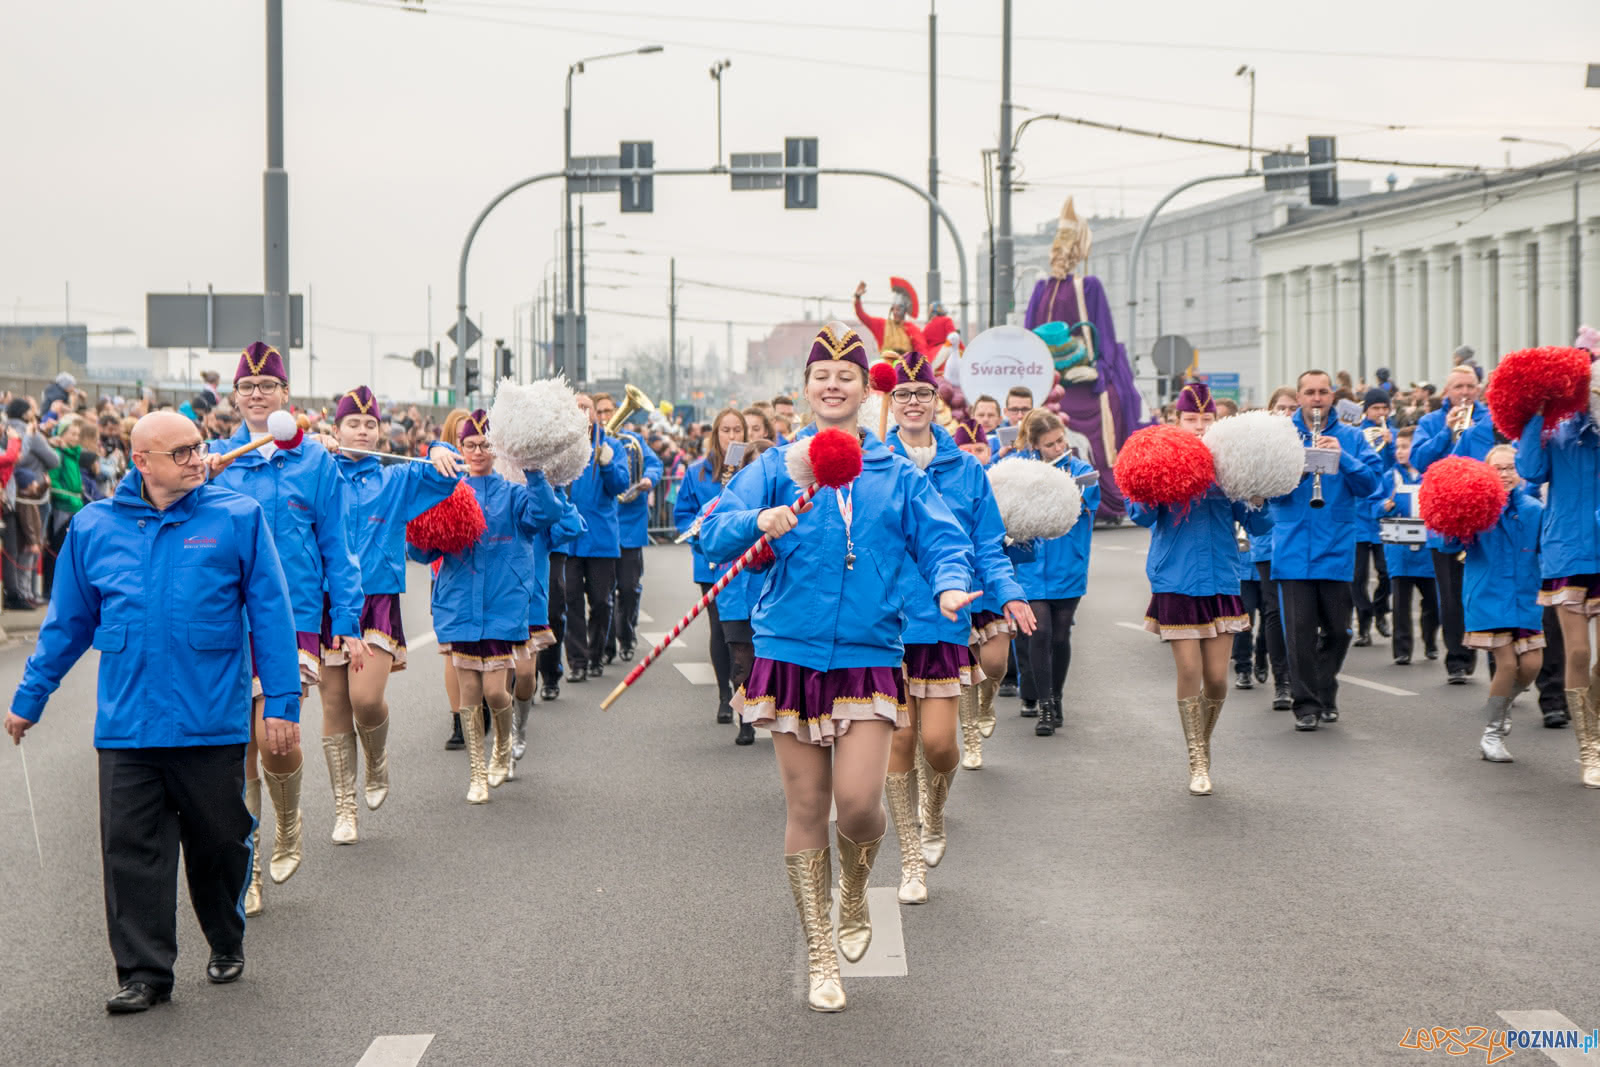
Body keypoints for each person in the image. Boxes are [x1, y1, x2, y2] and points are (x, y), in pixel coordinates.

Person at [700, 322, 973, 1013]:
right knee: (807, 807)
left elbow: (942, 536)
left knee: (859, 806)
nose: (833, 385)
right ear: (807, 388)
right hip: (789, 654)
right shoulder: (777, 466)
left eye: (846, 376)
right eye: (822, 375)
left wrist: (946, 583)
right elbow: (707, 526)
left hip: (867, 656)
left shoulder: (894, 473)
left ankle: (854, 890)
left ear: (862, 390)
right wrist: (756, 521)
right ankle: (822, 949)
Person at [6, 411, 300, 1013]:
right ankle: (144, 972)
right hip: (127, 726)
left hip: (210, 721)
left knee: (220, 843)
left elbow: (271, 615)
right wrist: (29, 699)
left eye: (199, 448)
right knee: (131, 848)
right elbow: (67, 624)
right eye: (183, 452)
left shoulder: (238, 518)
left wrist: (282, 701)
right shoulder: (93, 528)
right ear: (141, 462)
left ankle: (224, 935)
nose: (199, 458)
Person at [205, 342, 368, 915]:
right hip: (228, 622)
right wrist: (196, 476)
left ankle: (290, 819)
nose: (256, 395)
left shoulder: (316, 462)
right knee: (242, 745)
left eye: (266, 387)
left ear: (285, 395)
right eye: (246, 388)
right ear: (234, 398)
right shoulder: (214, 461)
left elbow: (337, 546)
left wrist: (346, 621)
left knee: (277, 741)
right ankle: (245, 864)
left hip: (293, 622)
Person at [884, 355, 1033, 903]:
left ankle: (935, 811)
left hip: (946, 624)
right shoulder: (872, 463)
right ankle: (909, 861)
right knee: (900, 738)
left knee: (941, 747)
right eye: (903, 393)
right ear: (890, 404)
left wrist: (1010, 592)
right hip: (885, 625)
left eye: (924, 391)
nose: (914, 401)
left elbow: (988, 546)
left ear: (937, 401)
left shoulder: (967, 471)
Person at [319, 386, 464, 843]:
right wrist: (306, 449)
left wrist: (440, 449)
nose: (361, 430)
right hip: (323, 598)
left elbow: (446, 479)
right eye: (352, 424)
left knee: (365, 700)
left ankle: (376, 759)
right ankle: (345, 808)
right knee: (335, 703)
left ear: (381, 434)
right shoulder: (319, 472)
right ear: (337, 428)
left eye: (370, 424)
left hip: (376, 598)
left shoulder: (395, 479)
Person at [408, 410, 564, 803]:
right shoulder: (447, 490)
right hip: (458, 607)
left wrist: (534, 471)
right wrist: (419, 521)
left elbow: (547, 514)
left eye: (485, 445)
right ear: (460, 448)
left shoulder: (513, 492)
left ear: (497, 450)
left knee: (497, 692)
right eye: (470, 445)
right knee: (468, 696)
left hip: (503, 606)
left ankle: (502, 746)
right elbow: (421, 552)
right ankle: (477, 773)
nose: (478, 452)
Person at [1133, 384, 1272, 792]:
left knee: (1217, 679)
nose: (1198, 427)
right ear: (1177, 422)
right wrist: (1153, 484)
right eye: (1191, 420)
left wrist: (1256, 496)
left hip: (1221, 579)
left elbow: (1260, 526)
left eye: (1205, 420)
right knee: (1190, 670)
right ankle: (1196, 758)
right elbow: (1141, 516)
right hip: (1174, 580)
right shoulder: (1165, 458)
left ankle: (1202, 741)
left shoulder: (1227, 465)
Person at [1266, 370, 1383, 731]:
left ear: (1332, 396)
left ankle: (1324, 686)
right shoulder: (1281, 438)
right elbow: (1270, 490)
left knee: (1338, 631)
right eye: (1309, 392)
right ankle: (1306, 704)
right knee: (1299, 634)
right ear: (1299, 397)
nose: (1316, 398)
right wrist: (1300, 467)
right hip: (1293, 548)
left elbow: (1371, 485)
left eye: (1323, 392)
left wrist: (1343, 457)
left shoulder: (1352, 437)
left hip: (1335, 547)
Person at [1516, 380, 1600, 787]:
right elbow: (1530, 471)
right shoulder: (1560, 429)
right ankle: (1590, 751)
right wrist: (1537, 413)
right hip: (1568, 548)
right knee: (1579, 652)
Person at [1442, 445, 1544, 762]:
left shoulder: (1533, 508)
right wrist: (1455, 517)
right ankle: (1493, 733)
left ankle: (1502, 705)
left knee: (1532, 665)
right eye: (1497, 469)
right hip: (1488, 594)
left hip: (1526, 596)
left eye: (1510, 467)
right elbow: (1448, 546)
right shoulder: (1477, 510)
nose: (1504, 474)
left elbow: (1546, 547)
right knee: (1508, 663)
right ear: (1486, 473)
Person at [1009, 409, 1096, 740]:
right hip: (1031, 568)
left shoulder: (1082, 470)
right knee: (1039, 632)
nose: (1059, 448)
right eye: (1050, 444)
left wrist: (1066, 485)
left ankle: (1057, 696)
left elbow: (1089, 501)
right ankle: (1044, 704)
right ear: (1035, 446)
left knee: (1060, 637)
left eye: (1061, 440)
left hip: (1067, 565)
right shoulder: (1021, 468)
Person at [1410, 366, 1493, 683]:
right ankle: (1458, 658)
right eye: (1458, 386)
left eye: (1470, 386)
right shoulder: (1430, 421)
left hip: (1485, 521)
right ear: (1447, 392)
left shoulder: (1488, 420)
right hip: (1445, 523)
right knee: (1452, 595)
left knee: (1486, 589)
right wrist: (1446, 432)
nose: (1465, 392)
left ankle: (1494, 655)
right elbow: (1419, 461)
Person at [673, 408, 748, 727]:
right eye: (725, 430)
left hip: (747, 564)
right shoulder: (698, 472)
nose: (732, 436)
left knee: (745, 635)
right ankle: (723, 696)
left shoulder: (754, 468)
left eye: (737, 430)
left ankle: (745, 696)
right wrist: (704, 538)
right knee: (720, 628)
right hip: (712, 563)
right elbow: (683, 516)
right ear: (715, 435)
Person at [561, 395, 629, 683]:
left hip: (601, 538)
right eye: (575, 408)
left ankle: (597, 653)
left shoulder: (611, 446)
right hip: (569, 539)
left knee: (601, 601)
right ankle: (577, 661)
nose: (581, 413)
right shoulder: (561, 446)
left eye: (585, 408)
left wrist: (608, 465)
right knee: (571, 601)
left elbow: (620, 486)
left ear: (593, 414)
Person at [593, 393, 663, 665]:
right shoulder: (588, 444)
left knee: (629, 587)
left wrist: (648, 478)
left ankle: (627, 635)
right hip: (602, 526)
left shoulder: (635, 441)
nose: (605, 416)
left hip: (630, 524)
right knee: (602, 592)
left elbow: (655, 464)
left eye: (609, 411)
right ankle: (606, 644)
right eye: (600, 411)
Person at [1381, 427, 1440, 666]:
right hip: (1400, 551)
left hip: (1427, 551)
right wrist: (1386, 505)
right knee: (1401, 605)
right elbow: (1374, 504)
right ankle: (1402, 650)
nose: (1402, 452)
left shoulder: (1431, 476)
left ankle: (1431, 641)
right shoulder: (1389, 477)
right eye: (1399, 447)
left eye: (1407, 447)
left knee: (1433, 603)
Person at [1352, 389, 1396, 645]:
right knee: (1357, 577)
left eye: (1384, 408)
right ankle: (1364, 621)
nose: (1380, 413)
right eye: (1375, 408)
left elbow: (1395, 467)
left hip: (1383, 509)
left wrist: (1390, 447)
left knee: (1386, 571)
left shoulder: (1393, 433)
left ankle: (1381, 610)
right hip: (1359, 512)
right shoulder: (1358, 435)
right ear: (1366, 410)